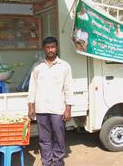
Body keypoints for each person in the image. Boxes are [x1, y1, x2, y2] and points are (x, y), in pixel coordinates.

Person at [28, 37, 73, 166]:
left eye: (52, 47)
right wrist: (31, 106)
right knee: (44, 139)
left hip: (58, 109)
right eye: (47, 47)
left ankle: (58, 162)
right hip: (41, 109)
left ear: (57, 48)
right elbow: (32, 87)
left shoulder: (65, 66)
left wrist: (68, 108)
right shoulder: (37, 67)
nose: (50, 50)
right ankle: (46, 162)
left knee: (59, 138)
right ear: (44, 49)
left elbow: (68, 88)